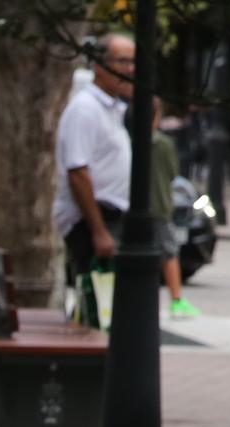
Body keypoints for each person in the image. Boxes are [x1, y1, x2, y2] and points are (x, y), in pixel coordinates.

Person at [55, 33, 135, 284]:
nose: (129, 70)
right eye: (122, 61)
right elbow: (77, 170)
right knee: (97, 303)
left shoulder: (110, 108)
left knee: (101, 305)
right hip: (91, 219)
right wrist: (98, 230)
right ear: (99, 65)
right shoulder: (85, 109)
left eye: (133, 62)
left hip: (109, 216)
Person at [150, 99, 200, 319]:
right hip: (159, 205)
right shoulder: (162, 143)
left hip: (133, 207)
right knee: (169, 253)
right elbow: (173, 174)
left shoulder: (127, 137)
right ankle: (176, 300)